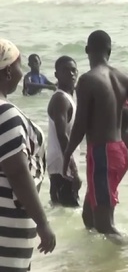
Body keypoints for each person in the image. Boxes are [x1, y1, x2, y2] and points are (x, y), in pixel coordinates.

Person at [63, 30, 128, 238]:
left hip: (102, 154)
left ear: (87, 50)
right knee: (88, 216)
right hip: (119, 151)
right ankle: (99, 268)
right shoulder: (123, 77)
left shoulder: (87, 80)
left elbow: (81, 124)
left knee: (105, 225)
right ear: (109, 51)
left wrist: (67, 154)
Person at [0, 40, 56, 272]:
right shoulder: (5, 114)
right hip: (9, 217)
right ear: (7, 71)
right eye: (19, 66)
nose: (22, 73)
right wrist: (43, 222)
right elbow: (17, 172)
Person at [47, 56, 81, 207]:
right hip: (62, 165)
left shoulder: (68, 98)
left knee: (61, 209)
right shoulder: (60, 99)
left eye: (73, 70)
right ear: (56, 75)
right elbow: (62, 136)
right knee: (68, 208)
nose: (71, 74)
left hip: (63, 163)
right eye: (66, 71)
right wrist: (73, 171)